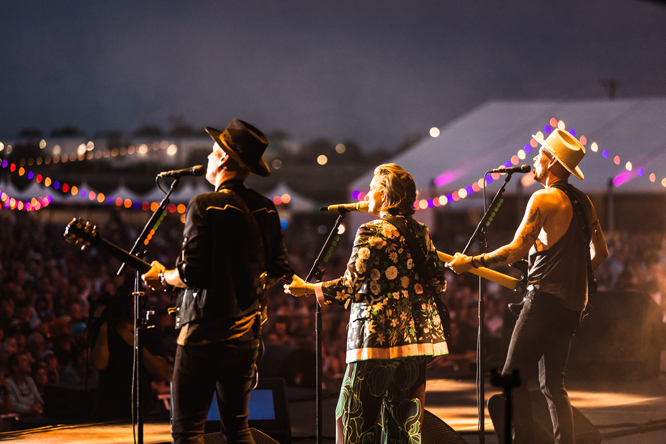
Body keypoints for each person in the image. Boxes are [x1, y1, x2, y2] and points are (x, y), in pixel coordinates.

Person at [448, 129, 609, 444]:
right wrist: (572, 272)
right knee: (552, 386)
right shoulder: (584, 201)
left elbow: (515, 251)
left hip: (544, 302)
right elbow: (599, 252)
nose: (534, 160)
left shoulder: (544, 198)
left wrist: (471, 262)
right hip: (572, 307)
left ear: (551, 162)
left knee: (511, 377)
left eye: (540, 155)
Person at [142, 118, 293, 444]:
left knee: (188, 432)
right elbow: (279, 269)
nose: (208, 158)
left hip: (202, 337)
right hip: (245, 338)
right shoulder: (266, 209)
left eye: (213, 151)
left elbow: (191, 273)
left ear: (225, 157)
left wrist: (163, 277)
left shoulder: (204, 205)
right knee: (237, 429)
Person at [285, 163, 449, 443]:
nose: (367, 195)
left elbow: (348, 286)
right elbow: (439, 283)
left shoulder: (371, 231)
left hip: (376, 340)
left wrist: (309, 289)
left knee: (352, 419)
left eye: (373, 189)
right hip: (416, 341)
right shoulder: (420, 231)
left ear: (385, 195)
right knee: (405, 426)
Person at [6, 352, 43, 418]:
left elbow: (39, 399)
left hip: (34, 417)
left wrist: (37, 406)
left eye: (28, 360)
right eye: (24, 360)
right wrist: (30, 409)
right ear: (14, 366)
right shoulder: (8, 383)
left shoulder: (30, 380)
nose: (29, 363)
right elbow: (13, 405)